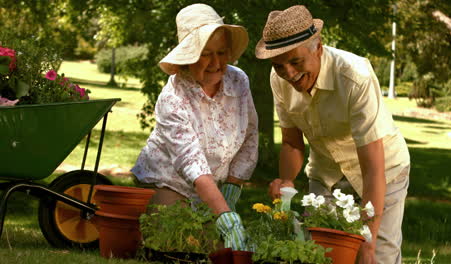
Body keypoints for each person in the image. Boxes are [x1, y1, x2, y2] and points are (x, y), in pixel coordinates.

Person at [255, 5, 410, 264]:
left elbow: (373, 168)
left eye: (295, 61)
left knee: (375, 258)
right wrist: (287, 180)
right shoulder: (278, 78)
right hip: (326, 174)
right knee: (317, 256)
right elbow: (292, 144)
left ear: (318, 47)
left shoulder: (354, 76)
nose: (289, 74)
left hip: (383, 173)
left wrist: (367, 242)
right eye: (279, 65)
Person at [131, 3, 258, 251]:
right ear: (188, 58)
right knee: (182, 244)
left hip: (212, 189)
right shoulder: (173, 98)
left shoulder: (238, 80)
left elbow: (250, 135)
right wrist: (224, 215)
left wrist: (233, 186)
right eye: (205, 53)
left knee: (225, 249)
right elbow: (192, 164)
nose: (216, 62)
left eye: (221, 52)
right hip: (168, 183)